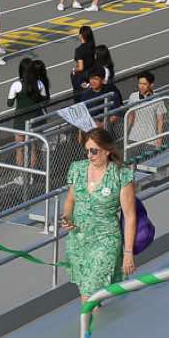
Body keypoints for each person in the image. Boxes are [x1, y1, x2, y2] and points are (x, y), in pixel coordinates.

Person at [62, 126, 139, 298]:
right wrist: (67, 217)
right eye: (87, 151)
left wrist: (128, 253)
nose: (90, 155)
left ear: (107, 150)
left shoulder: (121, 175)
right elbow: (70, 200)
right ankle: (97, 314)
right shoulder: (77, 169)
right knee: (88, 289)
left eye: (94, 151)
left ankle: (89, 316)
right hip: (79, 241)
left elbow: (129, 216)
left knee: (89, 292)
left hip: (105, 241)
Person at [70, 25, 101, 96]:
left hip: (84, 76)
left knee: (73, 75)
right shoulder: (92, 46)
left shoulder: (79, 50)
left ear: (81, 35)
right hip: (92, 72)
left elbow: (81, 68)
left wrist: (74, 69)